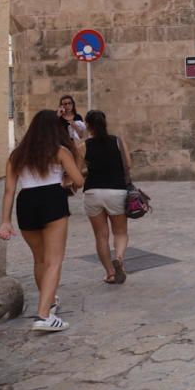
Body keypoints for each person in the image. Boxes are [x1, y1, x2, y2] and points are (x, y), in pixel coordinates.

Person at [0, 110, 85, 331]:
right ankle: (44, 315)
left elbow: (9, 191)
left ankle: (50, 302)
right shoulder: (60, 151)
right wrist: (65, 176)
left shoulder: (17, 154)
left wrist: (5, 221)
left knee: (39, 260)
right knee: (54, 260)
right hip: (52, 200)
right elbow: (79, 180)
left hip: (26, 201)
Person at [79, 110, 131, 284]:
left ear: (88, 125)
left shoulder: (84, 145)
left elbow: (79, 172)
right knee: (121, 232)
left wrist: (91, 170)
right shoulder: (117, 141)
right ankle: (119, 258)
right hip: (116, 191)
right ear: (105, 123)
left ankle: (109, 273)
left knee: (101, 236)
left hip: (93, 192)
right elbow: (128, 165)